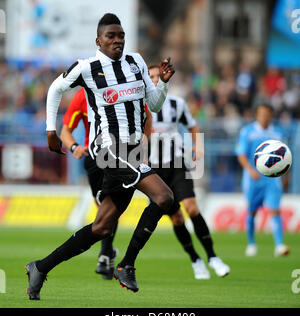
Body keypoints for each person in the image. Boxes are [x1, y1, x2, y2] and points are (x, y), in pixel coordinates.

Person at [25, 13, 175, 299]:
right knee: (164, 197)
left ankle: (40, 267)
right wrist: (50, 130)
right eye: (111, 36)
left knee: (102, 226)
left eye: (121, 36)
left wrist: (163, 83)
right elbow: (55, 89)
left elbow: (153, 105)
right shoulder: (87, 68)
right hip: (107, 149)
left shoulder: (137, 62)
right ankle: (127, 265)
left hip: (131, 152)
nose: (117, 40)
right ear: (98, 40)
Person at [147, 65, 230, 279]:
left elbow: (192, 126)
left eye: (158, 76)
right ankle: (195, 259)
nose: (156, 80)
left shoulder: (177, 103)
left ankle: (213, 256)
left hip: (176, 163)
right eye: (152, 77)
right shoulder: (141, 105)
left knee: (192, 208)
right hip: (155, 170)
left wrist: (197, 145)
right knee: (176, 218)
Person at [60, 87, 152, 279]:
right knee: (104, 208)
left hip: (120, 154)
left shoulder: (121, 89)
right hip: (94, 156)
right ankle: (107, 252)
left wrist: (142, 148)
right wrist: (74, 146)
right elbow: (65, 131)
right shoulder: (81, 96)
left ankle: (105, 254)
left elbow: (146, 114)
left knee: (110, 205)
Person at [236, 103, 290, 257]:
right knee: (252, 211)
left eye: (267, 114)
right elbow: (241, 154)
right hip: (253, 178)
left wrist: (286, 175)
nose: (264, 117)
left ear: (271, 115)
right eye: (261, 114)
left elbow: (285, 157)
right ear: (257, 115)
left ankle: (279, 245)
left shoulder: (278, 133)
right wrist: (249, 169)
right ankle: (251, 243)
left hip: (272, 179)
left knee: (275, 210)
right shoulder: (248, 131)